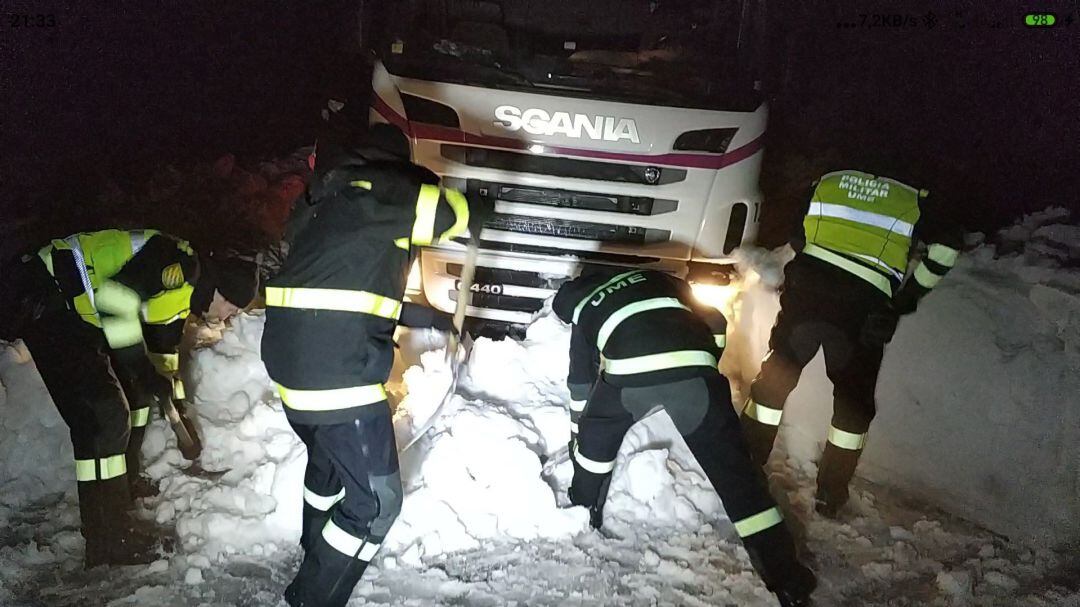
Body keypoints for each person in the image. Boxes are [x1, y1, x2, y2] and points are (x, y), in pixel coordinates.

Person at [261, 117, 492, 607]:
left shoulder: (321, 205)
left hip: (291, 365)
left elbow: (340, 286)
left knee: (326, 469)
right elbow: (452, 213)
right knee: (375, 505)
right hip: (339, 373)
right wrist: (476, 209)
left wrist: (421, 314)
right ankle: (310, 597)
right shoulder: (387, 190)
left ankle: (314, 548)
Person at [551, 268, 817, 606]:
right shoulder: (661, 279)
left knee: (595, 447)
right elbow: (717, 322)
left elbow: (580, 381)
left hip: (628, 376)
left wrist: (581, 429)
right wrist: (705, 367)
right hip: (696, 374)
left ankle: (583, 508)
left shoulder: (582, 304)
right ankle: (787, 579)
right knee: (738, 478)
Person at [0, 229, 257, 568]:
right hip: (45, 293)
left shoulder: (183, 299)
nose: (227, 317)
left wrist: (170, 399)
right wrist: (141, 368)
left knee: (107, 416)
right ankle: (110, 538)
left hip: (70, 311)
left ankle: (106, 531)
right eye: (231, 306)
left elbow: (163, 356)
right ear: (218, 289)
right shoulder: (178, 266)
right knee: (105, 417)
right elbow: (113, 299)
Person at [739, 169, 963, 518]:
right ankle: (830, 494)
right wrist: (906, 300)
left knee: (772, 384)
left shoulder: (827, 179)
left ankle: (744, 472)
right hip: (863, 308)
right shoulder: (914, 196)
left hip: (807, 295)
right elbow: (947, 247)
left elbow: (798, 236)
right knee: (852, 403)